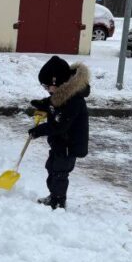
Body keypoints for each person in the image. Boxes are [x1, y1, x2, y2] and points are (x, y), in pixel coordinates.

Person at [28, 57, 90, 210]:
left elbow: (60, 125)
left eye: (46, 86)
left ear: (56, 82)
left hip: (69, 145)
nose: (46, 90)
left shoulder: (74, 99)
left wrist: (39, 131)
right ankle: (53, 196)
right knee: (51, 167)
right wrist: (43, 104)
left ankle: (58, 201)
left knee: (59, 173)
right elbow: (54, 102)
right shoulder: (64, 93)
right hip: (60, 142)